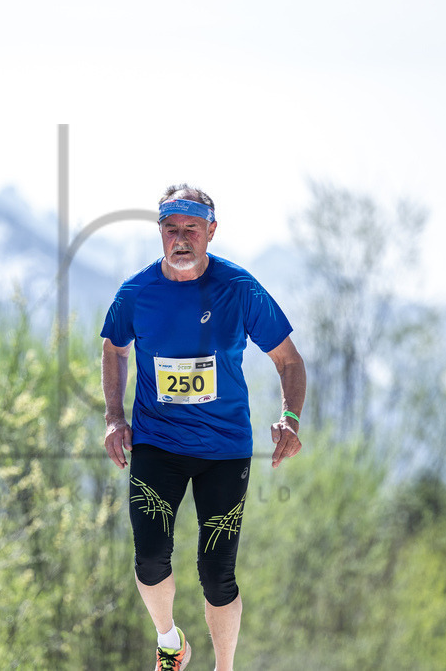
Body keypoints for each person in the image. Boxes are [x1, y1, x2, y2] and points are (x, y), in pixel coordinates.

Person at [100, 184, 307, 670]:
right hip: (157, 442)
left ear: (211, 231)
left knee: (217, 575)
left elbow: (289, 360)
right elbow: (114, 348)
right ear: (160, 233)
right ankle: (170, 642)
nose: (181, 238)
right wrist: (114, 417)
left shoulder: (240, 290)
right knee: (150, 560)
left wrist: (290, 419)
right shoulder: (136, 293)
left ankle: (224, 667)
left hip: (225, 449)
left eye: (191, 228)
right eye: (171, 229)